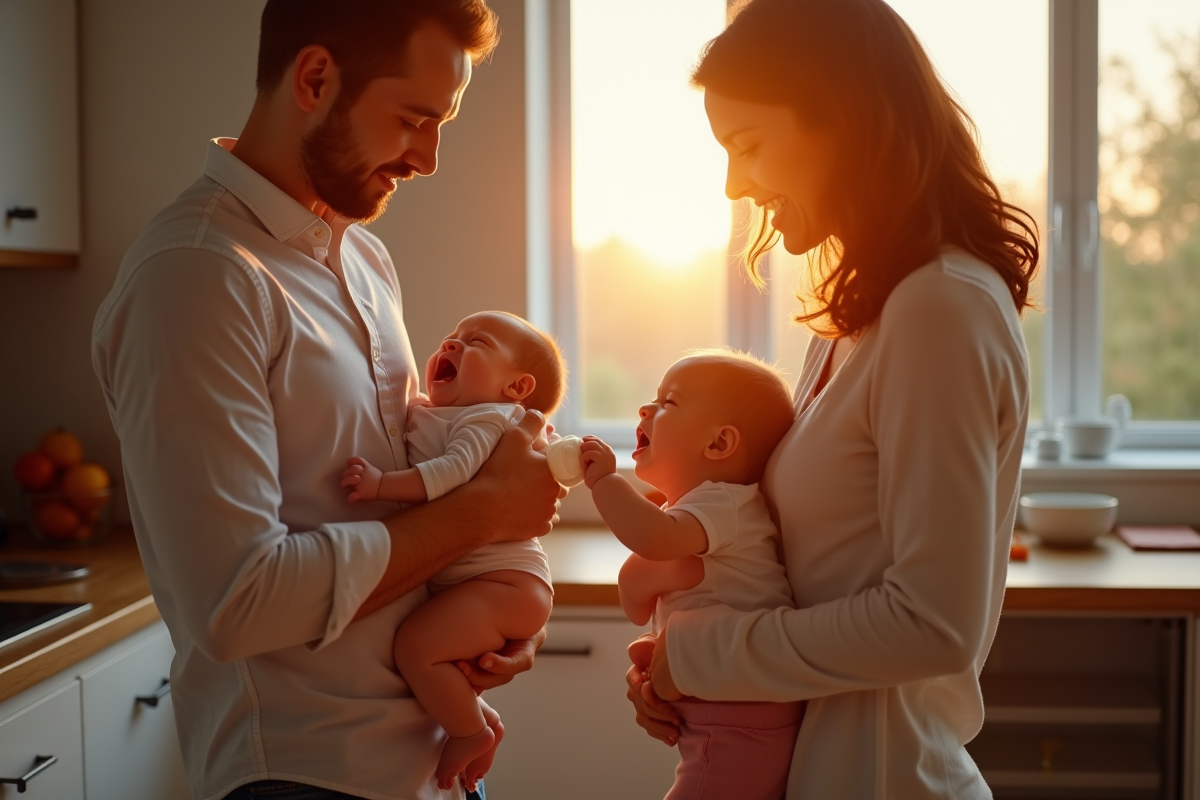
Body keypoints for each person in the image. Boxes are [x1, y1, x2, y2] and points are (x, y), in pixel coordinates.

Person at [90, 2, 564, 799]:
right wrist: (481, 517)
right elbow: (237, 600)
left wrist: (493, 612)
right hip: (309, 774)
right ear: (315, 78)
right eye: (415, 117)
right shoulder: (199, 278)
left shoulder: (365, 259)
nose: (431, 157)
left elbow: (399, 501)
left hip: (431, 762)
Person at [624, 1, 1039, 798]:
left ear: (846, 124)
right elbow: (810, 579)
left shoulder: (940, 306)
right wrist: (695, 684)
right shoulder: (859, 318)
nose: (734, 183)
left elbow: (933, 625)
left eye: (748, 146)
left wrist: (704, 655)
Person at [341, 311, 580, 792]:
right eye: (450, 337)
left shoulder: (487, 419)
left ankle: (470, 730)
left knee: (417, 648)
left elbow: (451, 472)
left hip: (505, 585)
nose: (451, 345)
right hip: (500, 584)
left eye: (477, 343)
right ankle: (477, 720)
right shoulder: (441, 412)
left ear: (516, 388)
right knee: (428, 649)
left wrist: (382, 484)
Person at [580, 351, 803, 800]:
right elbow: (640, 590)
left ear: (719, 444)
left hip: (740, 712)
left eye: (669, 402)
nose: (646, 409)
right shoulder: (695, 516)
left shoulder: (725, 502)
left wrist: (605, 483)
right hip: (733, 705)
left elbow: (652, 547)